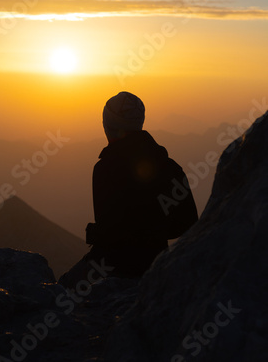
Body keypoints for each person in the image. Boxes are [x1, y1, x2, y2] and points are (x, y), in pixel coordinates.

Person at [58, 91, 198, 287]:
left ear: (108, 126)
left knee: (59, 293)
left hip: (113, 268)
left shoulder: (105, 169)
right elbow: (188, 222)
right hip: (155, 264)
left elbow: (109, 235)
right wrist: (153, 233)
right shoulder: (171, 167)